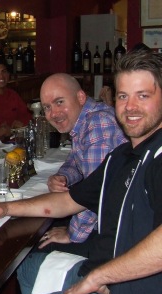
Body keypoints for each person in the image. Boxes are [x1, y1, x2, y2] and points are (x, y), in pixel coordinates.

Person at [0, 48, 162, 294]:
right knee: (28, 269)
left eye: (143, 96)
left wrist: (100, 275)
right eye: (122, 96)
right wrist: (4, 207)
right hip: (103, 274)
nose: (130, 107)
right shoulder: (122, 158)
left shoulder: (158, 156)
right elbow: (69, 201)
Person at [37, 73, 127, 253]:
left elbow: (96, 193)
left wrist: (72, 233)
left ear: (80, 97)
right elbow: (76, 159)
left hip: (116, 234)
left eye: (59, 102)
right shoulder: (87, 119)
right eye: (47, 107)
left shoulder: (98, 123)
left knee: (32, 255)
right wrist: (63, 176)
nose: (53, 113)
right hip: (109, 221)